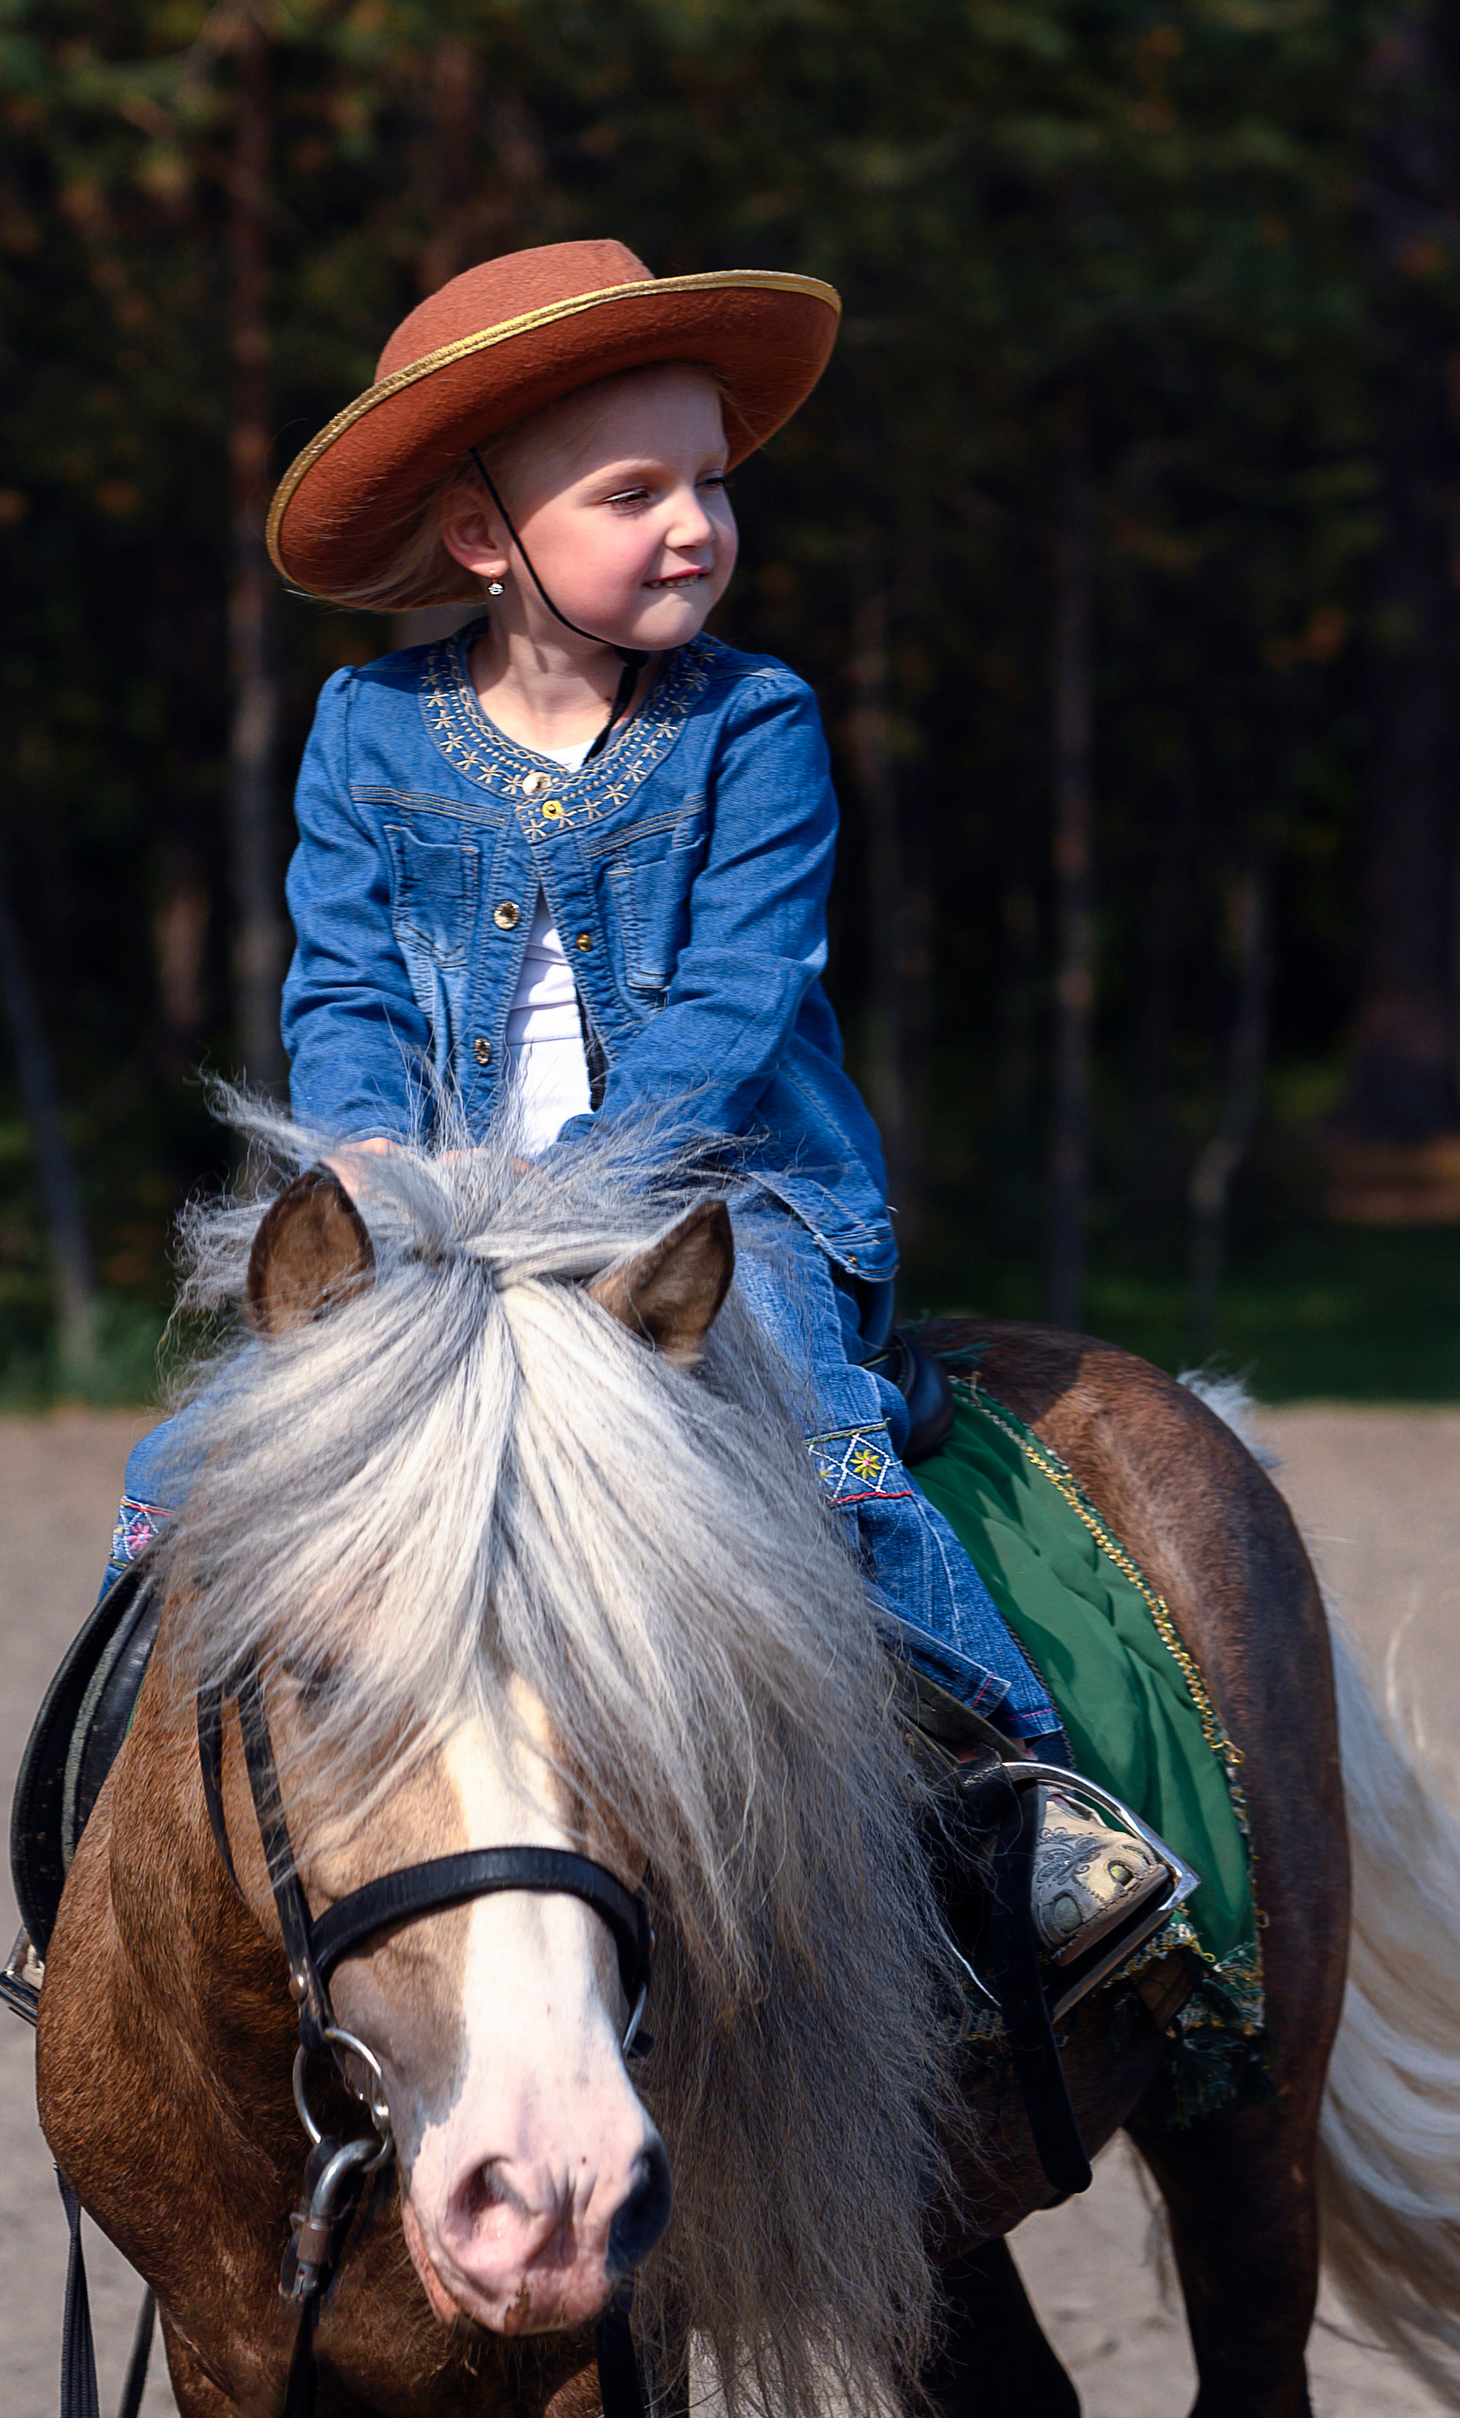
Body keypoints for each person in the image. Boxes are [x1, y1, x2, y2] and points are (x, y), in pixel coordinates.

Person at [109, 235, 1067, 1757]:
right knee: (189, 1470)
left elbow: (739, 1003)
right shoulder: (367, 727)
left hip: (713, 1198)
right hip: (442, 1200)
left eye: (712, 482)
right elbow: (345, 982)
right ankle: (114, 1831)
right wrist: (361, 1147)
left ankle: (1013, 1775)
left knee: (825, 1448)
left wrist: (581, 1181)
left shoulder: (755, 723)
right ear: (488, 538)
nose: (696, 527)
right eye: (634, 495)